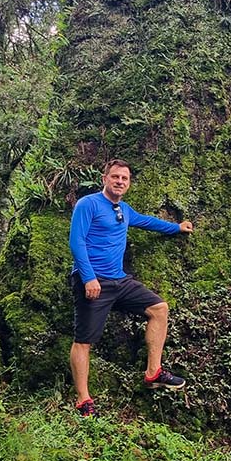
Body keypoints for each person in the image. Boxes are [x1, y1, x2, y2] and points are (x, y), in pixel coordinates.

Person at [69, 159, 194, 417]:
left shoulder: (124, 210)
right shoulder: (88, 204)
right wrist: (88, 278)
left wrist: (177, 228)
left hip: (120, 281)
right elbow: (76, 241)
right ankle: (83, 400)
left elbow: (148, 222)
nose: (120, 182)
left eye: (124, 179)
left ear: (129, 183)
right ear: (105, 178)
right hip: (94, 281)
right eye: (115, 177)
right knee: (84, 341)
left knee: (159, 308)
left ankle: (153, 373)